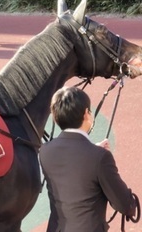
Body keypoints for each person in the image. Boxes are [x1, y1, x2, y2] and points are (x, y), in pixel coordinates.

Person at [39, 86, 136, 232]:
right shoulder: (100, 157)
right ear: (86, 114)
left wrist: (92, 150)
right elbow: (123, 204)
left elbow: (72, 166)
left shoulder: (45, 151)